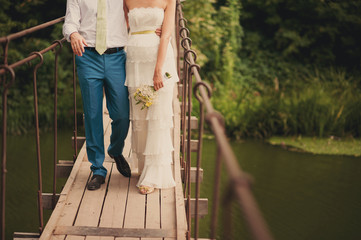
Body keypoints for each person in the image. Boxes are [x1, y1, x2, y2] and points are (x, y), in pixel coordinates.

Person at [63, 0, 133, 190]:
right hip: (87, 56)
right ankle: (98, 169)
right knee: (93, 114)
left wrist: (154, 29)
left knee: (122, 115)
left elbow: (138, 10)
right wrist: (73, 33)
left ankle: (116, 150)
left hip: (117, 57)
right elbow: (70, 22)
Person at [124, 0, 178, 194]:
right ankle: (144, 164)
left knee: (157, 117)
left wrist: (158, 70)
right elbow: (122, 27)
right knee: (140, 115)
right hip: (135, 60)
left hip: (159, 59)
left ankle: (154, 175)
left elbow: (166, 35)